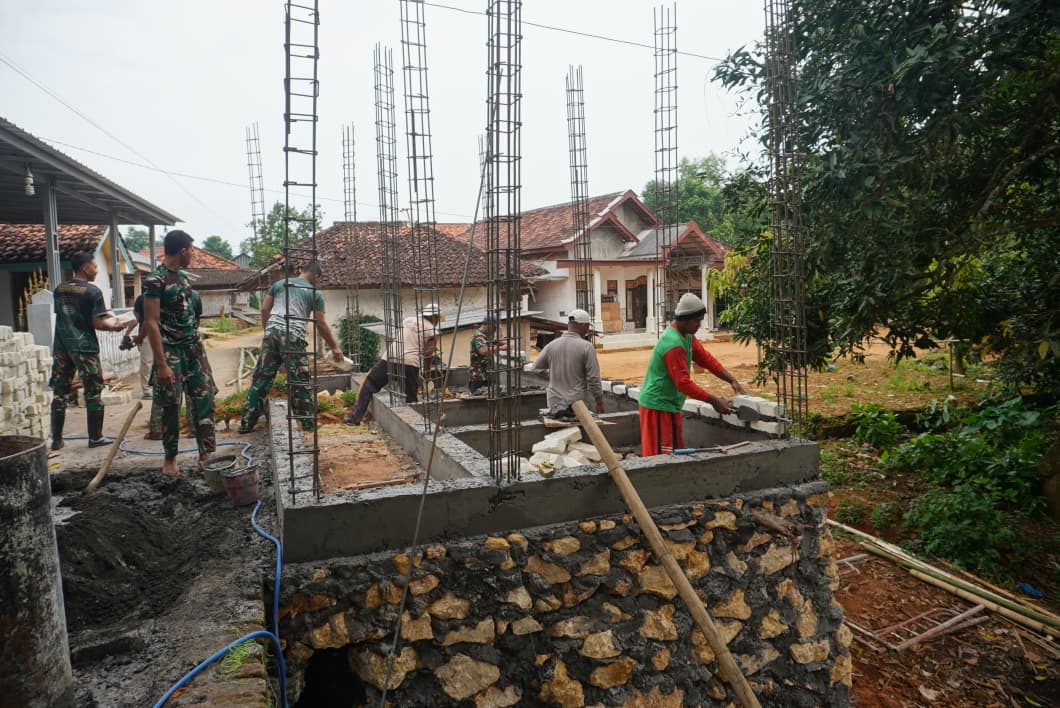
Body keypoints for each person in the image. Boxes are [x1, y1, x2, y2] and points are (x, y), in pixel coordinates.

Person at [638, 292, 747, 456]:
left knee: (674, 453)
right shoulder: (673, 343)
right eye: (697, 321)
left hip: (670, 404)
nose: (699, 325)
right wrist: (713, 400)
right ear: (685, 319)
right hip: (658, 405)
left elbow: (705, 359)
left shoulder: (687, 335)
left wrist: (732, 380)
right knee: (661, 456)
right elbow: (683, 383)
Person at [143, 230, 216, 475]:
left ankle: (206, 454)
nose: (193, 255)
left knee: (204, 399)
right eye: (192, 250)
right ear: (183, 250)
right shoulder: (155, 280)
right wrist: (162, 364)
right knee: (171, 405)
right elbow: (151, 322)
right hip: (170, 351)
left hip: (194, 349)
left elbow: (191, 314)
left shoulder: (184, 278)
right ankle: (170, 459)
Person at [240, 261, 342, 433]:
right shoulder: (314, 293)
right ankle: (309, 425)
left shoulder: (279, 284)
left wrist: (269, 332)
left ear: (301, 271)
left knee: (262, 379)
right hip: (293, 337)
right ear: (317, 277)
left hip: (272, 332)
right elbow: (321, 323)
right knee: (299, 381)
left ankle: (246, 423)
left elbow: (265, 310)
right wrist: (334, 347)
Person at [49, 253, 129, 450]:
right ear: (85, 268)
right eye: (94, 266)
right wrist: (115, 327)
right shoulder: (92, 291)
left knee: (59, 393)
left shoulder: (59, 289)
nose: (97, 270)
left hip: (61, 346)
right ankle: (95, 438)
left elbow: (68, 314)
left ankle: (57, 440)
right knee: (93, 392)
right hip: (84, 347)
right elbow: (97, 322)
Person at [344, 303, 441, 425]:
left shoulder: (408, 320)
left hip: (390, 357)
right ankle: (415, 426)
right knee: (410, 398)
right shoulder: (433, 331)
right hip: (411, 363)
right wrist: (427, 376)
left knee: (369, 384)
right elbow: (428, 354)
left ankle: (355, 418)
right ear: (435, 317)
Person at [530, 308, 605, 414]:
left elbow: (535, 369)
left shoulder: (552, 345)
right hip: (576, 403)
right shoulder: (586, 347)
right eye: (587, 326)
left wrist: (553, 376)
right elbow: (593, 378)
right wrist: (599, 401)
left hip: (554, 401)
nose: (588, 330)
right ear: (582, 326)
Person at [467, 313, 506, 396]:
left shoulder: (486, 336)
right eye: (494, 327)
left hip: (487, 374)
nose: (495, 329)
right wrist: (501, 348)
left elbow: (491, 343)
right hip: (478, 376)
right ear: (488, 325)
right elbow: (483, 350)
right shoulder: (478, 335)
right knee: (479, 400)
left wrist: (500, 342)